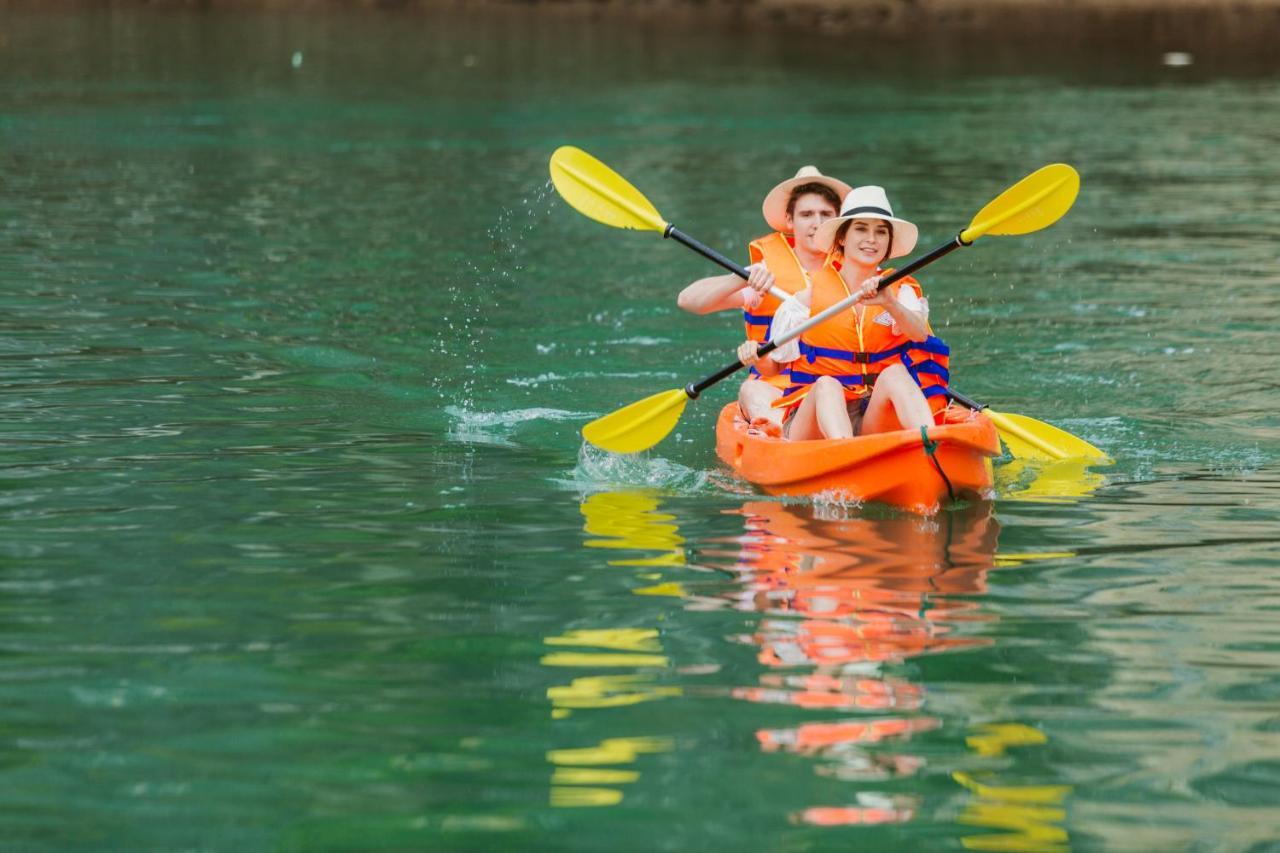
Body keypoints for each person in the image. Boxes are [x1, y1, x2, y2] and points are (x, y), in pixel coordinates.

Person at [740, 185, 950, 440]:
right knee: (828, 385)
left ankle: (932, 446)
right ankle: (845, 454)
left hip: (870, 413)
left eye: (880, 232)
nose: (871, 239)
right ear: (842, 238)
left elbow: (918, 334)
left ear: (888, 242)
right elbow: (773, 368)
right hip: (814, 422)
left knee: (895, 373)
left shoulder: (900, 291)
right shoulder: (808, 299)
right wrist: (755, 353)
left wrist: (889, 303)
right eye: (861, 229)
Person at [677, 167, 851, 429]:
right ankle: (779, 438)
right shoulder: (764, 275)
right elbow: (688, 300)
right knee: (752, 391)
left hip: (842, 388)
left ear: (837, 221)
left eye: (826, 214)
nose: (817, 222)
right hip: (778, 389)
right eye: (807, 214)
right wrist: (741, 278)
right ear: (790, 221)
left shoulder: (855, 269)